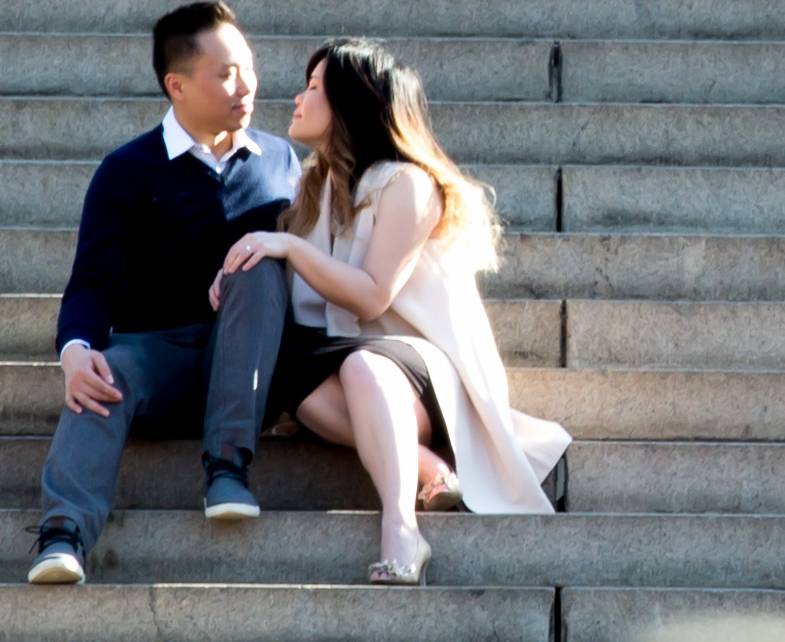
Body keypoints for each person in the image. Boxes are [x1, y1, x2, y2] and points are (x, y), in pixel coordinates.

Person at [211, 40, 567, 584]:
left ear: (351, 102)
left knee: (363, 366)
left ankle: (401, 529)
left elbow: (373, 295)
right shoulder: (314, 187)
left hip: (426, 371)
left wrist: (287, 247)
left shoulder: (409, 185)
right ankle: (425, 464)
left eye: (314, 87)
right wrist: (240, 271)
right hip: (347, 363)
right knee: (281, 358)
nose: (298, 98)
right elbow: (294, 290)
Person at [27, 1, 302, 585]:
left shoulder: (280, 159)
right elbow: (93, 281)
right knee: (103, 375)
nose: (246, 86)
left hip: (255, 358)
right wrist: (75, 350)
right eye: (225, 74)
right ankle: (63, 533)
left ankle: (227, 468)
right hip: (160, 356)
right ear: (177, 85)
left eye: (248, 68)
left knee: (258, 264)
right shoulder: (128, 169)